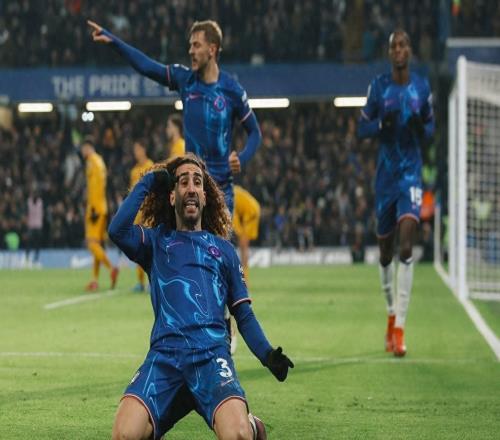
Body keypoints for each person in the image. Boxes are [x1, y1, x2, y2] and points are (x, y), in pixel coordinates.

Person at [108, 153, 293, 440]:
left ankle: (250, 425)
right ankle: (177, 403)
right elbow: (117, 230)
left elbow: (243, 315)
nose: (192, 188)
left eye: (197, 182)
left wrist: (267, 354)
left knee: (239, 436)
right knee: (124, 435)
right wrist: (149, 181)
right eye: (183, 182)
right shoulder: (155, 242)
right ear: (172, 196)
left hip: (211, 359)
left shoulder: (224, 251)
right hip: (165, 358)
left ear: (205, 197)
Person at [87, 19, 262, 214]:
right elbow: (147, 67)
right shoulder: (185, 80)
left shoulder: (232, 90)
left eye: (196, 45)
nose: (191, 51)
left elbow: (255, 132)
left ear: (212, 50)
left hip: (221, 193)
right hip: (191, 191)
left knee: (218, 236)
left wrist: (242, 158)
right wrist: (113, 41)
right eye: (190, 45)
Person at [357, 29, 435, 357]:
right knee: (386, 253)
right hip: (386, 179)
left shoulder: (422, 87)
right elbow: (361, 128)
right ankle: (391, 314)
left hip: (410, 176)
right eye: (394, 46)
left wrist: (420, 128)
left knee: (406, 245)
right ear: (389, 53)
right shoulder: (379, 87)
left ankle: (401, 327)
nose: (399, 50)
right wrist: (380, 126)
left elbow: (430, 128)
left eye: (403, 45)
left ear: (410, 50)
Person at [80, 136, 119, 292]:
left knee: (91, 244)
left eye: (83, 148)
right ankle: (94, 280)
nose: (82, 152)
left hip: (95, 208)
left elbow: (96, 187)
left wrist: (93, 209)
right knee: (96, 243)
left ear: (88, 147)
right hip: (102, 206)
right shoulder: (100, 161)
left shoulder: (92, 161)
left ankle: (111, 268)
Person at [129, 139, 154, 292]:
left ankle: (152, 280)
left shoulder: (150, 166)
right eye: (135, 150)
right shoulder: (133, 171)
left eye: (138, 149)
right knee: (138, 248)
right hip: (137, 214)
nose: (136, 153)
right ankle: (140, 282)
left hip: (149, 212)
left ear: (144, 149)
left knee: (150, 247)